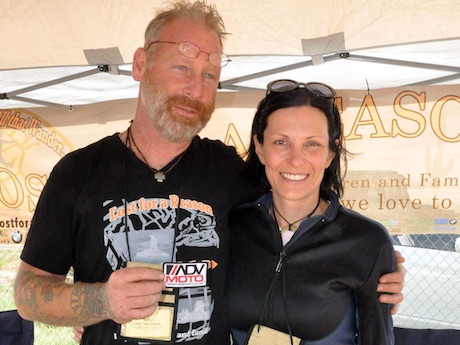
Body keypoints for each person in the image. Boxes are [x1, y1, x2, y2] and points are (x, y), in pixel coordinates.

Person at [13, 1, 404, 345]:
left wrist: (370, 267)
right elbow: (27, 295)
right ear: (140, 64)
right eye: (182, 67)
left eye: (209, 76)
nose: (195, 89)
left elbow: (296, 217)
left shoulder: (232, 173)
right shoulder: (78, 172)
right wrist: (100, 302)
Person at [226, 80, 396, 344]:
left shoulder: (367, 241)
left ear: (331, 152)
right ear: (260, 147)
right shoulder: (233, 225)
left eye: (312, 144)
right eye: (281, 142)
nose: (296, 159)